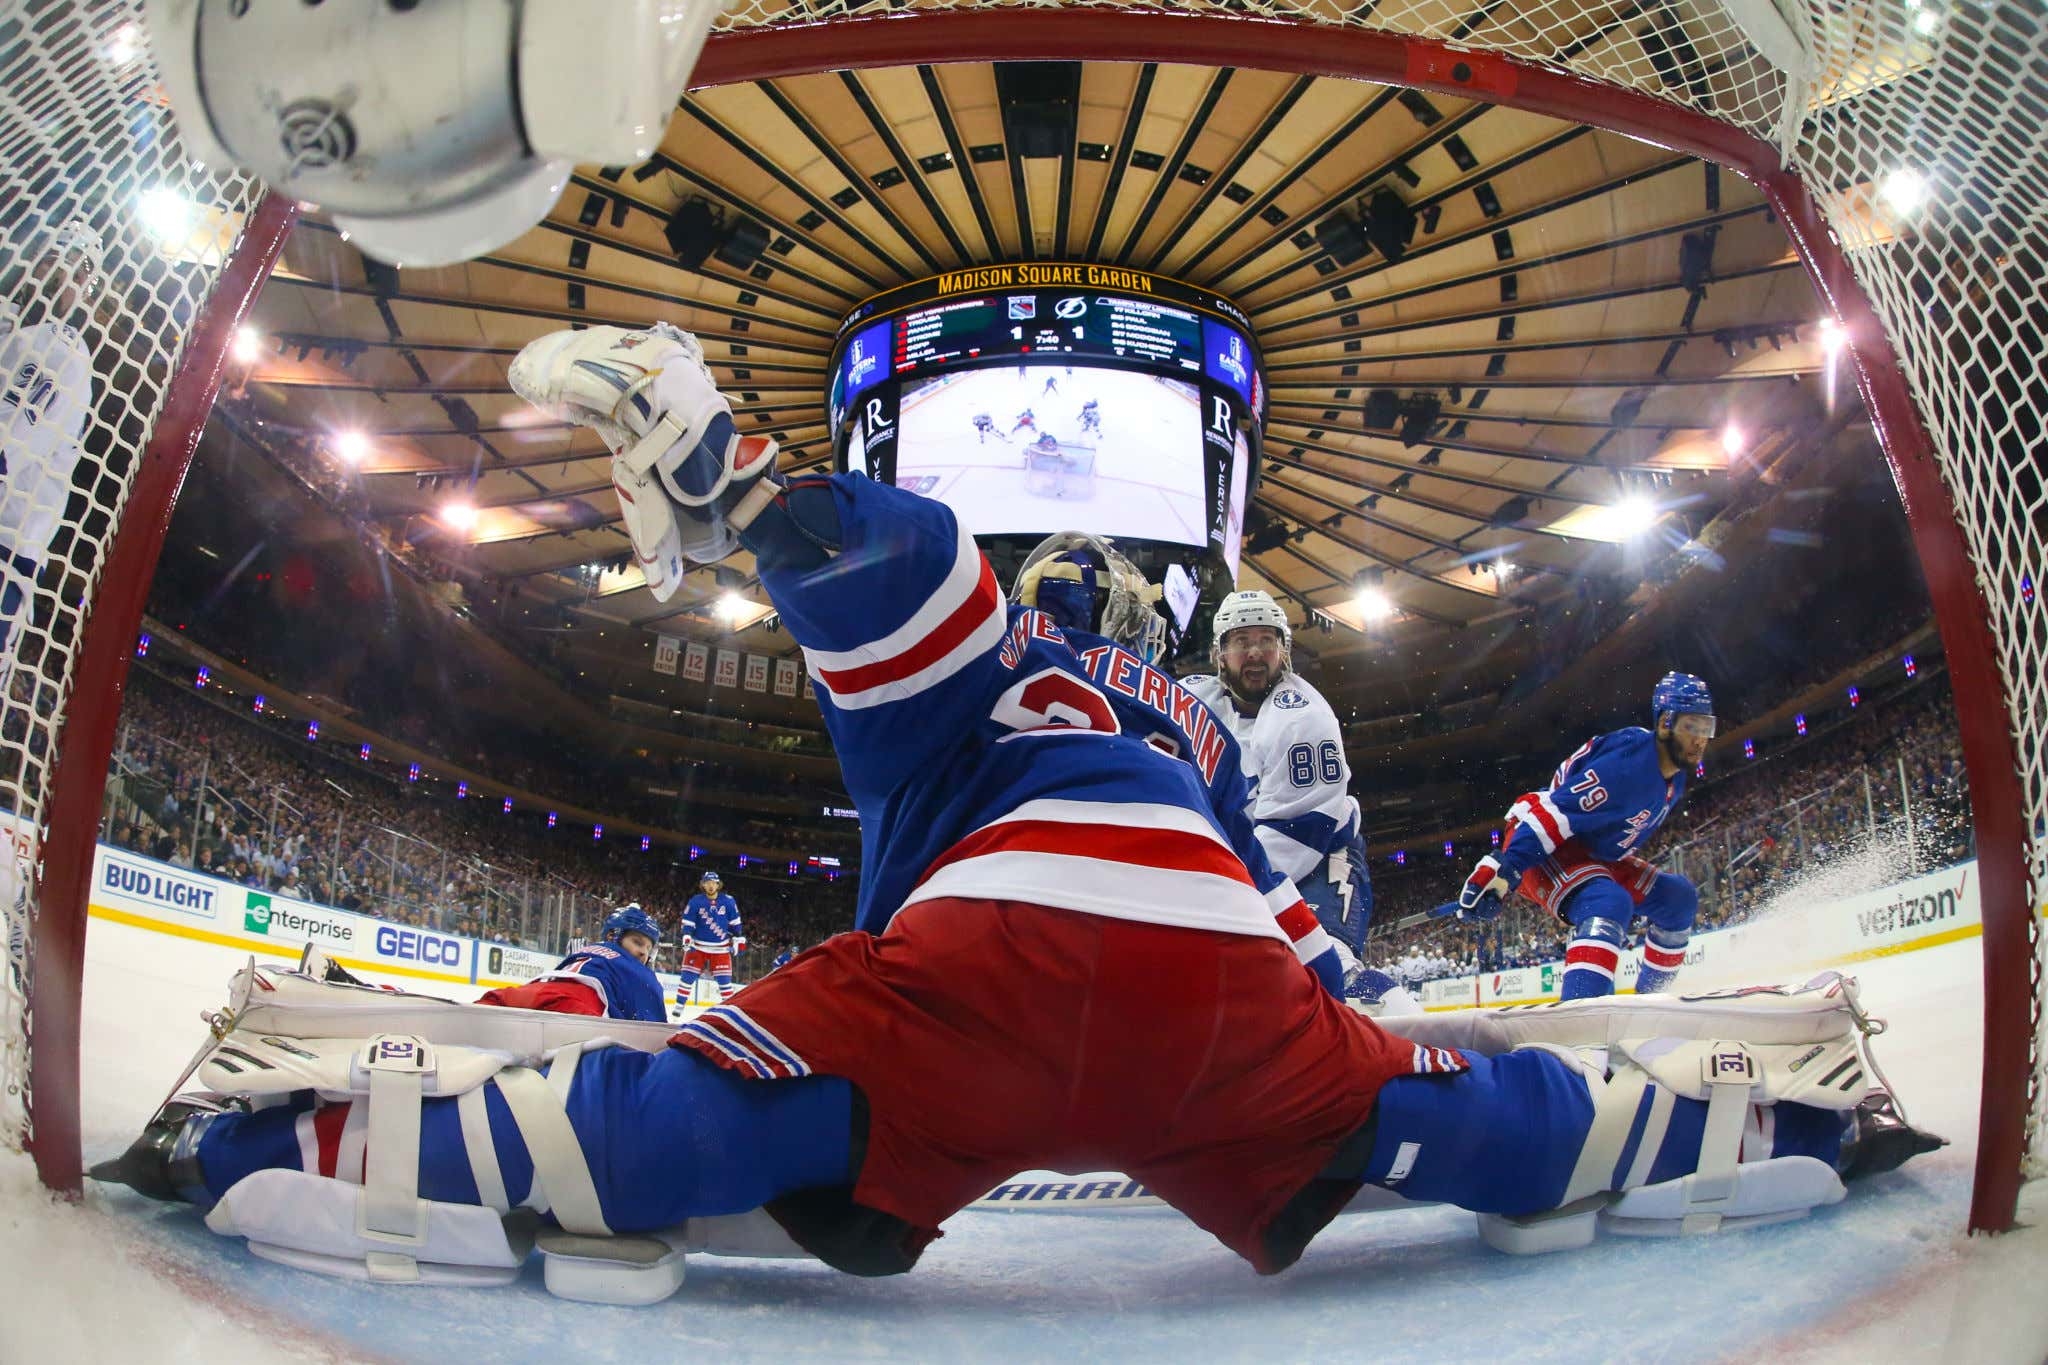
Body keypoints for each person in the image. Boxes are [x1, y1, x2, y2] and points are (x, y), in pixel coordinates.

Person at [95, 326, 1938, 1288]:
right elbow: (1285, 918)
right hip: (1216, 994)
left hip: (978, 968)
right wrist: (1354, 1012)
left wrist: (736, 482)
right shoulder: (1192, 731)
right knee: (1491, 1124)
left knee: (649, 1128)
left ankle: (268, 1155)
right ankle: (1764, 1134)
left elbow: (892, 576)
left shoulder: (999, 679)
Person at [1433, 673, 1713, 1000]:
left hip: (1592, 854)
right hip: (1549, 844)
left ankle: (1651, 1009)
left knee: (1678, 898)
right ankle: (1579, 1035)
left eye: (1707, 728)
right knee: (1609, 902)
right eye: (1692, 726)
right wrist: (1508, 869)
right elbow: (1555, 814)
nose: (1701, 739)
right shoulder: (1626, 768)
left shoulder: (1674, 778)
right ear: (1666, 723)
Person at [1183, 591, 1374, 978]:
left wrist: (1222, 891)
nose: (1255, 652)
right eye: (1242, 641)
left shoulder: (1302, 718)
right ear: (1220, 653)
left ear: (1283, 650)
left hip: (1317, 861)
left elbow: (1295, 837)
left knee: (1326, 971)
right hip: (1242, 862)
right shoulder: (1192, 701)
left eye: (1266, 640)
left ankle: (1395, 1029)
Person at [0, 221, 100, 660]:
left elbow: (7, 452)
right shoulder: (13, 329)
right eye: (55, 261)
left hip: (7, 551)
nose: (62, 276)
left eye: (77, 272)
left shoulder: (63, 353)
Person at [303, 904, 668, 1023]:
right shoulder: (641, 974)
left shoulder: (586, 950)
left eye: (647, 949)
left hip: (534, 991)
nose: (642, 953)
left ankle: (353, 991)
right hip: (578, 1010)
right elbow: (648, 1038)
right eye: (638, 942)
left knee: (453, 1017)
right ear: (616, 935)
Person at [676, 870, 744, 1006]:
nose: (711, 886)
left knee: (725, 982)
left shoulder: (728, 901)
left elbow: (735, 923)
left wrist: (738, 939)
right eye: (708, 883)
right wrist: (687, 936)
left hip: (721, 949)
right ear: (703, 885)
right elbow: (688, 922)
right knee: (687, 978)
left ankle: (728, 1010)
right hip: (698, 947)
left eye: (714, 883)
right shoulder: (696, 901)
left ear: (718, 885)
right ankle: (678, 1009)